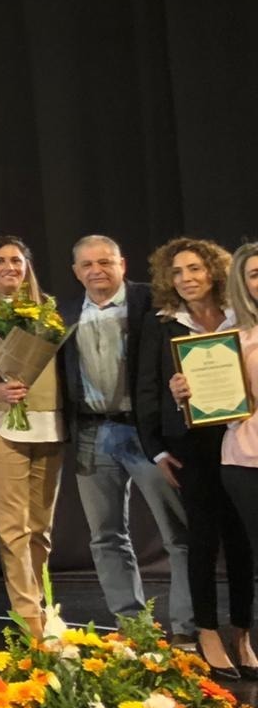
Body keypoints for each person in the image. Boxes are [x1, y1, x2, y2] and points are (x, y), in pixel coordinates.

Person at [59, 236, 193, 642]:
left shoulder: (153, 302)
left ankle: (187, 628)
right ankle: (132, 626)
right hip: (91, 433)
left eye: (105, 262)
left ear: (123, 264)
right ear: (76, 271)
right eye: (87, 264)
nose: (96, 270)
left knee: (179, 535)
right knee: (106, 537)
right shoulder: (65, 314)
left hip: (146, 433)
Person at [138, 237, 253, 679]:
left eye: (194, 269)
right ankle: (207, 630)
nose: (186, 279)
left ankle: (241, 631)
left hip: (239, 439)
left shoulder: (241, 316)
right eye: (177, 272)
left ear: (214, 272)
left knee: (242, 541)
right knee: (202, 539)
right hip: (191, 445)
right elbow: (145, 390)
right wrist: (157, 449)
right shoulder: (163, 324)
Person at [0, 235, 65, 636]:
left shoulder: (47, 311)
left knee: (40, 527)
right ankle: (29, 617)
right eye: (0, 261)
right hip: (0, 424)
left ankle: (43, 603)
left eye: (16, 261)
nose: (9, 268)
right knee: (12, 527)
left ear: (27, 266)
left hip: (49, 424)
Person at [218, 242, 258, 669]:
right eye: (254, 274)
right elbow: (221, 405)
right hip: (247, 459)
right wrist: (187, 393)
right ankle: (245, 639)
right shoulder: (231, 333)